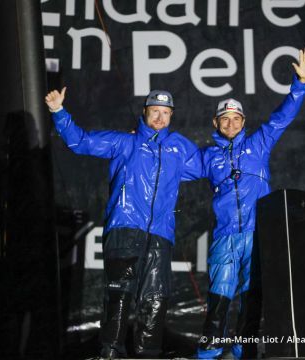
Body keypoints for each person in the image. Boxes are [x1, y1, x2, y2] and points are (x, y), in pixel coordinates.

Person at [44, 88, 201, 359]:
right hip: (125, 227)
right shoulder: (124, 142)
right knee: (119, 292)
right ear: (144, 112)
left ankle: (148, 354)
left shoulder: (179, 147)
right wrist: (59, 111)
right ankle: (111, 352)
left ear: (171, 116)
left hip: (160, 234)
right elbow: (81, 142)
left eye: (165, 113)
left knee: (155, 298)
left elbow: (208, 166)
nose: (160, 118)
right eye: (155, 112)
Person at [197, 47, 305, 359]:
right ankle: (209, 353)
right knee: (219, 295)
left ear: (244, 121)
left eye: (236, 118)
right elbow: (169, 167)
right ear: (216, 122)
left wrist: (300, 83)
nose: (231, 123)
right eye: (225, 119)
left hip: (258, 234)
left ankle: (244, 352)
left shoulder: (258, 143)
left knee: (253, 297)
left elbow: (282, 117)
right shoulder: (208, 156)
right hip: (226, 235)